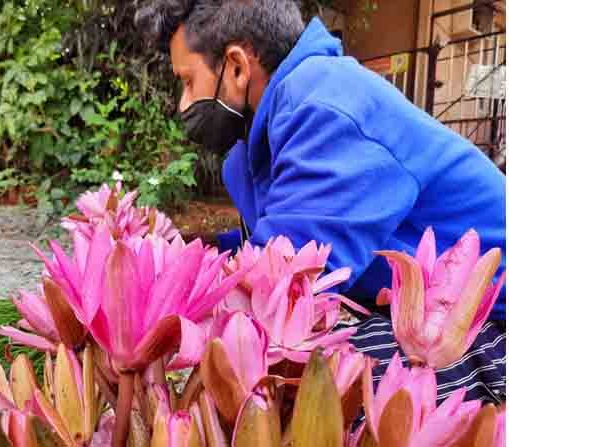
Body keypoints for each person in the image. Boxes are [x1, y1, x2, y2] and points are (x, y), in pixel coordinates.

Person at [135, 0, 505, 404]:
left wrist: (149, 309)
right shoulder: (265, 135)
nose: (183, 105)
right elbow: (272, 246)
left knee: (312, 387)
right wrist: (182, 249)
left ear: (237, 67)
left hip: (492, 326)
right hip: (415, 312)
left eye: (188, 82)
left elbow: (282, 287)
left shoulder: (327, 111)